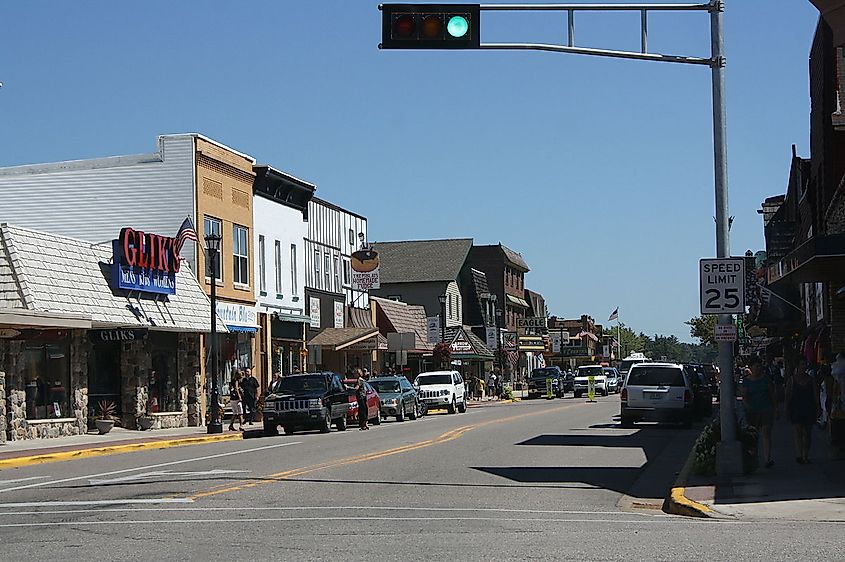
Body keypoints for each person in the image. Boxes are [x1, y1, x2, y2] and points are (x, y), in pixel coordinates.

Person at [741, 356, 776, 468]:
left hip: (766, 409)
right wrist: (747, 405)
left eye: (759, 366)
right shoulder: (747, 381)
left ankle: (767, 459)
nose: (758, 368)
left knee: (766, 432)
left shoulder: (766, 379)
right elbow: (744, 396)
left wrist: (776, 408)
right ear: (751, 368)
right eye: (756, 366)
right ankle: (754, 459)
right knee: (753, 435)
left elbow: (772, 394)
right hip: (752, 411)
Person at [786, 359, 820, 464]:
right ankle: (799, 455)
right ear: (797, 366)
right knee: (798, 431)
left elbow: (815, 395)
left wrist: (818, 407)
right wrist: (786, 409)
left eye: (805, 364)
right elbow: (787, 395)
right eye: (802, 364)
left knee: (807, 433)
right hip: (796, 408)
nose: (804, 366)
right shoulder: (791, 380)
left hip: (809, 408)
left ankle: (805, 455)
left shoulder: (811, 380)